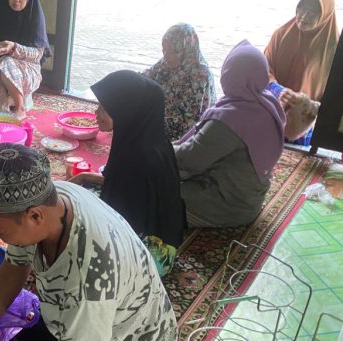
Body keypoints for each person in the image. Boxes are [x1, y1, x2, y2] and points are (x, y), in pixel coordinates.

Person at [0, 143, 177, 341]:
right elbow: (11, 274)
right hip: (69, 322)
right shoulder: (49, 199)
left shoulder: (88, 279)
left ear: (35, 216)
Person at [69, 70, 185, 276]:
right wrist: (88, 177)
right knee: (79, 195)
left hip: (146, 259)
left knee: (68, 220)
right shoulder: (148, 140)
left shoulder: (138, 157)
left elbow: (120, 219)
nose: (97, 112)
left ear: (127, 110)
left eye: (105, 108)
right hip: (161, 241)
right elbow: (125, 188)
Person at [175, 40, 285, 228]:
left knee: (151, 187)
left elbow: (189, 159)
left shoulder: (231, 120)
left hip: (227, 206)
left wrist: (158, 147)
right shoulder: (266, 102)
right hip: (249, 199)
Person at [265, 0, 339, 140]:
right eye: (302, 9)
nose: (304, 17)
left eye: (312, 12)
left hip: (306, 123)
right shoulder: (281, 35)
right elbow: (263, 69)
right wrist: (279, 91)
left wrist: (307, 107)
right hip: (273, 110)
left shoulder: (335, 50)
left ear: (326, 15)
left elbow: (335, 98)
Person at [143, 23, 216, 141]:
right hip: (158, 125)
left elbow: (193, 122)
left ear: (185, 49)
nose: (165, 56)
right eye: (163, 50)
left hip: (186, 138)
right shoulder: (164, 64)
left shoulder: (201, 75)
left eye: (171, 51)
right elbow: (144, 79)